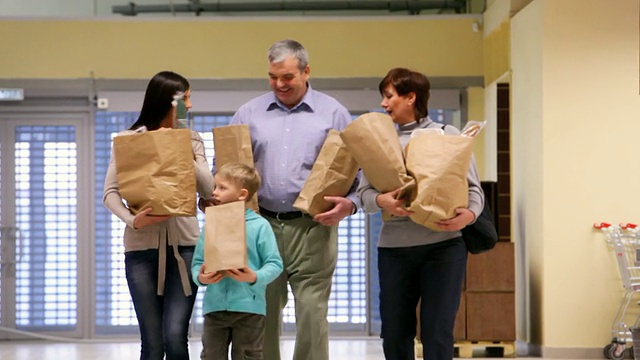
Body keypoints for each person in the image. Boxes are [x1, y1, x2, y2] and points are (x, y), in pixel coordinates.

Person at [208, 39, 360, 360]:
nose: (279, 84)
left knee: (312, 310)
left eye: (287, 77)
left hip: (313, 227)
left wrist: (351, 204)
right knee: (264, 311)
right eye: (273, 76)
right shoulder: (249, 113)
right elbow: (225, 168)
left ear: (307, 72)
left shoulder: (334, 113)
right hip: (261, 226)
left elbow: (359, 169)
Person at [357, 68, 484, 360]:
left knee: (437, 332)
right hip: (394, 251)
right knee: (395, 333)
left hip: (444, 248)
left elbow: (474, 190)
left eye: (389, 96)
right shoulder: (378, 141)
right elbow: (364, 196)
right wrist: (381, 200)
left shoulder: (447, 135)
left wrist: (469, 216)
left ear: (411, 97)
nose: (383, 104)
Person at [103, 71, 214, 360]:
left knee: (176, 337)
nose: (189, 106)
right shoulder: (129, 140)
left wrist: (182, 145)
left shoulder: (193, 139)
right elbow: (110, 193)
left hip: (186, 250)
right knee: (152, 343)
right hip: (141, 251)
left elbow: (208, 188)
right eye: (185, 99)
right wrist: (132, 220)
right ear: (168, 101)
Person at [192, 162, 283, 360]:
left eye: (222, 188)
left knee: (247, 356)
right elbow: (197, 262)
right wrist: (201, 278)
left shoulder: (260, 226)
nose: (214, 192)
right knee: (211, 356)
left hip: (250, 310)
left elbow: (275, 263)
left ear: (242, 194)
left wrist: (254, 276)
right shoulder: (210, 225)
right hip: (214, 308)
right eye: (215, 187)